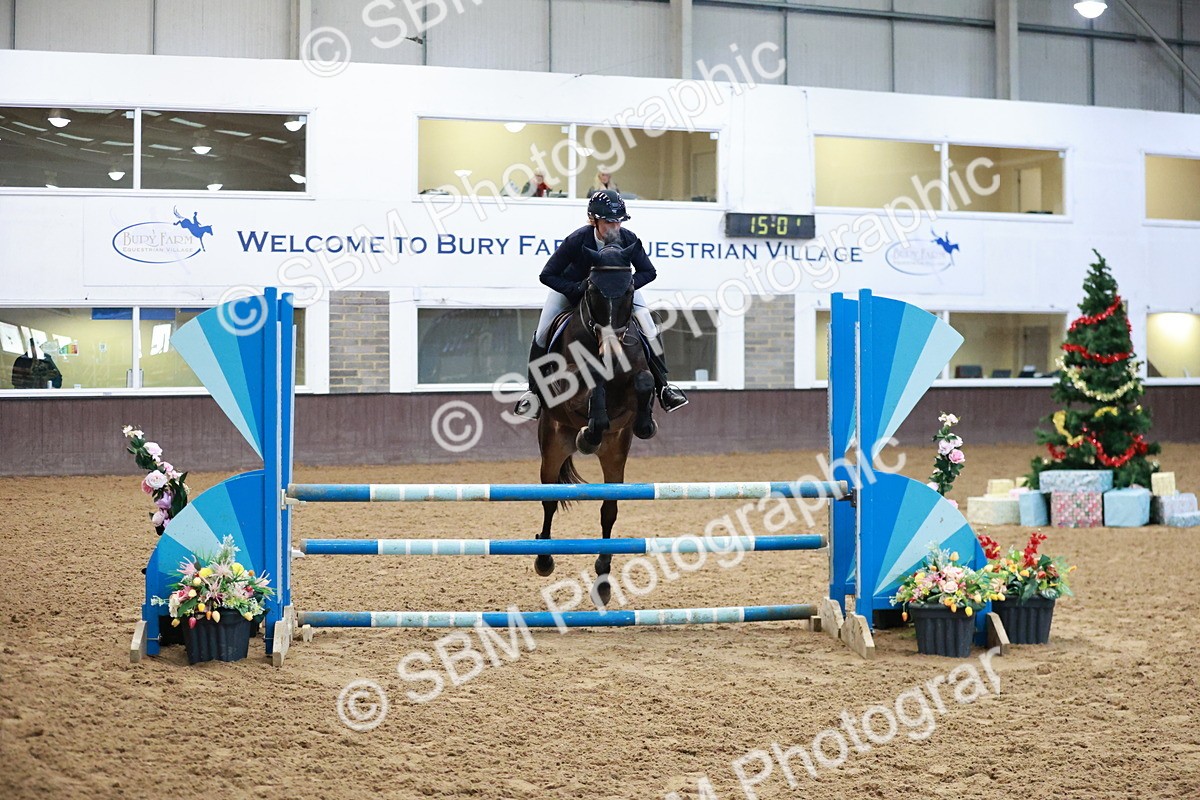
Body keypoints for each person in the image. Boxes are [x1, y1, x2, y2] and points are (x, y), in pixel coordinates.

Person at [513, 189, 688, 419]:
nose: (614, 228)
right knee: (543, 332)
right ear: (594, 220)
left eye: (618, 222)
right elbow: (547, 275)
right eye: (608, 222)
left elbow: (649, 271)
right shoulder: (577, 240)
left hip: (617, 294)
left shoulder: (628, 239)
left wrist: (625, 286)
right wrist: (576, 289)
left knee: (649, 325)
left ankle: (664, 387)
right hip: (573, 291)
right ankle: (533, 394)